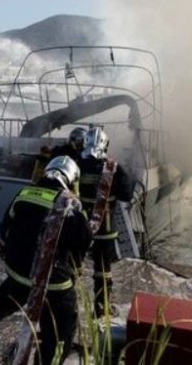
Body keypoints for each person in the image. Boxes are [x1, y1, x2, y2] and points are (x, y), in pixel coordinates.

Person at [0, 156, 91, 365]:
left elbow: (5, 227)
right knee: (62, 325)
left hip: (17, 271)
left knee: (9, 294)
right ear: (71, 179)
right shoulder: (70, 203)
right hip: (53, 282)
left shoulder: (24, 193)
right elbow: (84, 239)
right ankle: (50, 358)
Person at [77, 127, 133, 318]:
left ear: (84, 143)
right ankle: (101, 310)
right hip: (105, 229)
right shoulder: (114, 169)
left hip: (78, 227)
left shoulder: (76, 165)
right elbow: (127, 196)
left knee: (70, 266)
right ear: (106, 145)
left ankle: (68, 305)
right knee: (102, 271)